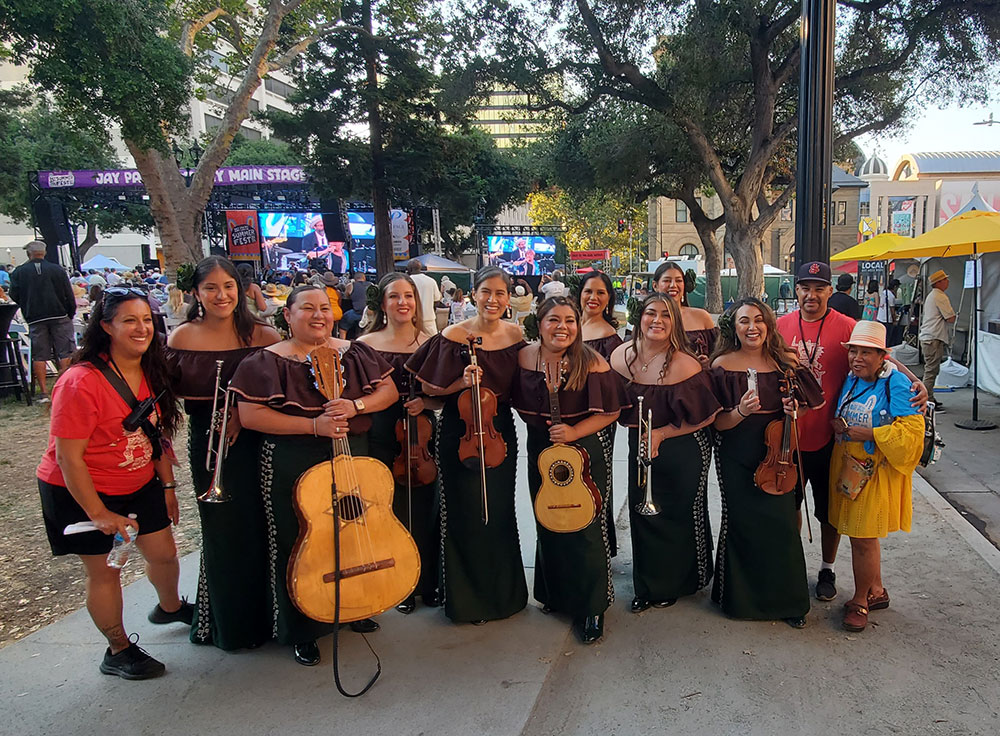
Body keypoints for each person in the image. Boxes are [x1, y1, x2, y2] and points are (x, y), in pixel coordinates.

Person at [229, 285, 398, 665]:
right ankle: (301, 629)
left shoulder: (354, 352)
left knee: (354, 530)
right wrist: (313, 428)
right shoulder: (265, 362)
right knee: (300, 540)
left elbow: (387, 392)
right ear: (287, 316)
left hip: (351, 451)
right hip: (293, 456)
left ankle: (354, 607)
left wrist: (356, 405)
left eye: (325, 308)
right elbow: (251, 416)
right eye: (307, 308)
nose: (318, 315)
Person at [35, 287, 188, 679]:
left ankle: (169, 607)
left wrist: (167, 487)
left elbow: (157, 436)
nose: (141, 328)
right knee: (106, 571)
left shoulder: (152, 368)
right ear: (106, 326)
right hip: (83, 490)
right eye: (129, 320)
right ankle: (118, 649)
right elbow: (69, 458)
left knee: (164, 553)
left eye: (146, 320)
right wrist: (98, 513)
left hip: (139, 481)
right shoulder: (79, 382)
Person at [776, 261, 927, 603]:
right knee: (790, 505)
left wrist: (915, 381)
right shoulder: (780, 325)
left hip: (833, 439)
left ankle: (827, 568)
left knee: (830, 513)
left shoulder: (849, 326)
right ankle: (793, 565)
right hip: (790, 436)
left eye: (819, 288)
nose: (811, 294)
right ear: (795, 289)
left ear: (830, 291)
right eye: (805, 287)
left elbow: (880, 356)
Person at [165, 257, 281, 650]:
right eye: (211, 288)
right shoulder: (182, 338)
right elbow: (169, 399)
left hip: (261, 443)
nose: (221, 295)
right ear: (196, 293)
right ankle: (234, 624)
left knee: (269, 526)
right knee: (225, 532)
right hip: (211, 445)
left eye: (228, 286)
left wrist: (243, 415)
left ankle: (277, 620)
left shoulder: (265, 335)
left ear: (241, 289)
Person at [405, 266, 527, 624]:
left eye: (500, 293)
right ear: (473, 294)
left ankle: (504, 597)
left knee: (500, 511)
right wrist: (459, 382)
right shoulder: (454, 335)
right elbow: (429, 389)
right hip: (460, 428)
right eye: (486, 292)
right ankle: (467, 599)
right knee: (466, 512)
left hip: (500, 430)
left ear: (509, 298)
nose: (493, 299)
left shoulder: (516, 335)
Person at [513, 297, 626, 643]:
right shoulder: (525, 356)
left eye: (570, 321)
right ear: (539, 323)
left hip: (583, 449)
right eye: (553, 320)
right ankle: (557, 594)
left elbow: (610, 412)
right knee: (549, 520)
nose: (562, 327)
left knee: (585, 527)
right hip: (541, 448)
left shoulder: (592, 362)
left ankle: (592, 607)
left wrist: (574, 432)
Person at [710, 298, 824, 628]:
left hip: (781, 453)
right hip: (736, 453)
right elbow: (717, 424)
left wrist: (795, 410)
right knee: (742, 524)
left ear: (768, 325)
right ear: (735, 327)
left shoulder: (785, 362)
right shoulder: (722, 366)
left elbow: (806, 407)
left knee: (782, 524)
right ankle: (739, 600)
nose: (752, 327)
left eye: (759, 320)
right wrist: (742, 411)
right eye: (744, 321)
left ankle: (788, 601)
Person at [609, 294, 721, 613]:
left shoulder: (685, 363)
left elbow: (707, 416)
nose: (656, 320)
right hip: (640, 445)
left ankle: (680, 581)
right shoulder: (620, 356)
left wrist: (662, 433)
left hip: (682, 446)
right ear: (639, 318)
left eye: (665, 315)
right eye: (650, 313)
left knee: (676, 514)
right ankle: (647, 583)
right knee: (643, 514)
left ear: (674, 323)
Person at [829, 321, 924, 632]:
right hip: (849, 467)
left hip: (874, 472)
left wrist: (870, 432)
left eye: (866, 352)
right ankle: (877, 591)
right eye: (853, 350)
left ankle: (859, 601)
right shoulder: (852, 379)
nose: (857, 357)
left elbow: (912, 431)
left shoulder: (895, 384)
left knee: (863, 539)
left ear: (882, 356)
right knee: (861, 533)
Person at [358, 273, 440, 613]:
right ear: (382, 303)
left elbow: (442, 396)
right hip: (379, 432)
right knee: (384, 509)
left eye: (408, 296)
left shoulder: (430, 342)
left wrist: (426, 403)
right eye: (394, 297)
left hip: (419, 434)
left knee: (423, 507)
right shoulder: (366, 343)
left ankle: (426, 581)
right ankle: (396, 582)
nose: (402, 302)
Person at [578, 271, 624, 555]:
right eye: (588, 291)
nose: (593, 298)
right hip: (565, 416)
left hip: (597, 421)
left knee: (594, 478)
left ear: (608, 299)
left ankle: (599, 544)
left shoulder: (610, 340)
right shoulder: (567, 327)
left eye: (600, 293)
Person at [9, 240, 77, 401]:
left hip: (35, 317)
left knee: (39, 355)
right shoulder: (57, 270)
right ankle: (65, 387)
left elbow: (14, 294)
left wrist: (26, 306)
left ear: (29, 253)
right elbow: (68, 293)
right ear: (44, 252)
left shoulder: (19, 272)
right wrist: (70, 312)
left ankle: (44, 392)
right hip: (60, 315)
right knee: (65, 351)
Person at [652, 261, 717, 363]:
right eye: (667, 280)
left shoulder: (702, 317)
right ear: (655, 286)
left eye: (678, 280)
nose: (673, 285)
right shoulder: (647, 320)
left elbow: (717, 354)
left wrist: (709, 362)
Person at [919, 269, 955, 412]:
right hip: (933, 337)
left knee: (931, 369)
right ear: (939, 282)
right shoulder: (940, 296)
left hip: (929, 336)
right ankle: (926, 400)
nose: (948, 282)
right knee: (931, 370)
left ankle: (930, 398)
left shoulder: (932, 295)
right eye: (945, 279)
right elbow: (950, 317)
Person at [407, 260, 442, 336]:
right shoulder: (431, 281)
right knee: (433, 344)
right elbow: (437, 300)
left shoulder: (407, 281)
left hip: (411, 319)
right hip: (429, 319)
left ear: (409, 269)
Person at [339, 271, 368, 338]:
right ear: (364, 278)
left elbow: (346, 296)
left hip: (357, 312)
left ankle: (343, 344)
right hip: (369, 314)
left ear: (354, 279)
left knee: (343, 326)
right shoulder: (372, 285)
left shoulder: (351, 285)